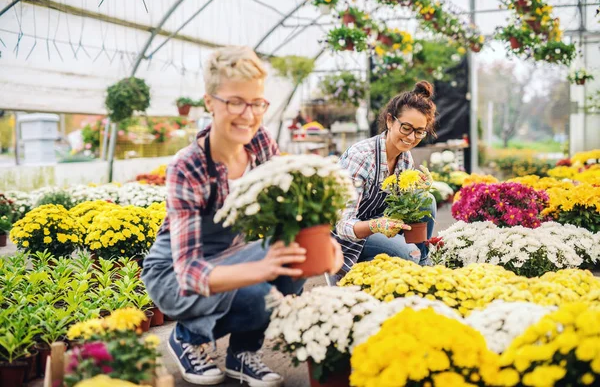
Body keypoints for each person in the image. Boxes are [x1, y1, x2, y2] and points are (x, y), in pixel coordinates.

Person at [141, 46, 344, 387]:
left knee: (291, 257)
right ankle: (188, 337)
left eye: (257, 103)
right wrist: (262, 268)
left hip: (231, 255)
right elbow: (189, 272)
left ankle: (242, 353)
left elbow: (293, 200)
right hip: (174, 274)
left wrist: (325, 244)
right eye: (235, 101)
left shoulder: (260, 142)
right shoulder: (188, 166)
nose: (247, 115)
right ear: (210, 102)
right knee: (269, 273)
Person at [332, 81, 437, 282]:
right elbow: (341, 225)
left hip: (380, 227)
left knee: (426, 200)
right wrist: (377, 225)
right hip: (346, 239)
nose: (411, 137)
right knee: (408, 254)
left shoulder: (405, 158)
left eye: (419, 131)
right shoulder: (361, 157)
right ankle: (358, 270)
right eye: (406, 128)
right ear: (390, 121)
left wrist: (419, 189)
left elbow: (404, 208)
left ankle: (421, 269)